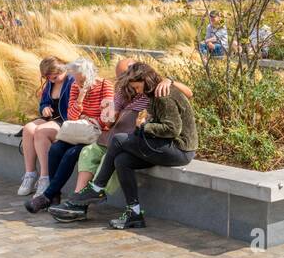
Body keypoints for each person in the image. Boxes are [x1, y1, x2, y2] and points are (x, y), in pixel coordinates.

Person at [50, 59, 193, 223]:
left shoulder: (161, 94)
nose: (131, 86)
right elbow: (110, 118)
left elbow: (172, 129)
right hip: (151, 142)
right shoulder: (133, 91)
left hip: (176, 147)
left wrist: (144, 127)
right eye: (122, 78)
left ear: (142, 78)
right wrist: (107, 115)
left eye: (134, 84)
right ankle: (135, 213)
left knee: (117, 142)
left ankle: (94, 190)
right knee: (121, 160)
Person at [26, 57, 114, 213]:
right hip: (77, 132)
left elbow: (108, 119)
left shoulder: (105, 86)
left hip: (95, 134)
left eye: (83, 80)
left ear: (91, 74)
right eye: (77, 80)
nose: (80, 84)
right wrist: (80, 98)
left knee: (71, 154)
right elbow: (71, 116)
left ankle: (47, 196)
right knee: (55, 150)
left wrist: (91, 120)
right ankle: (54, 196)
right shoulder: (75, 86)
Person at [17, 58, 74, 196]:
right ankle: (30, 174)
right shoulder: (50, 83)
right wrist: (44, 108)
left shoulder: (72, 81)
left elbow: (74, 107)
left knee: (41, 132)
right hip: (51, 118)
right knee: (29, 128)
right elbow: (44, 103)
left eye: (54, 77)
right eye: (48, 78)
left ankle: (45, 178)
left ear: (63, 70)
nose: (52, 81)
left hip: (66, 119)